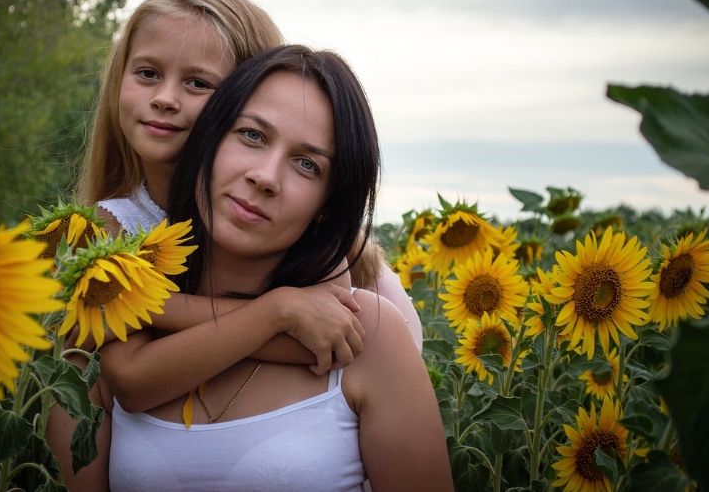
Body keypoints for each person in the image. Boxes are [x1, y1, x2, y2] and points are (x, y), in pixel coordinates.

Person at [50, 45, 453, 491]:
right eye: (252, 136)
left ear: (327, 204)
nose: (265, 176)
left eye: (307, 164)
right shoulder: (108, 326)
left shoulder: (367, 332)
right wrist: (276, 311)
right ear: (208, 142)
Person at [76, 0, 421, 360]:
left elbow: (322, 343)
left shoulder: (295, 242)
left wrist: (133, 307)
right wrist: (279, 312)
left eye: (198, 82)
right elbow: (107, 358)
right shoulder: (109, 227)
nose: (165, 99)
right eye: (147, 73)